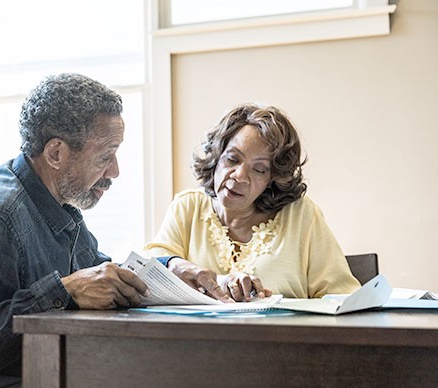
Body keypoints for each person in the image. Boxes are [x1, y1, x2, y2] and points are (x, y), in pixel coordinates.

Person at [0, 73, 233, 388]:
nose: (115, 171)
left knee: (163, 382)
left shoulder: (58, 207)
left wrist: (171, 268)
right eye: (106, 155)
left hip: (39, 375)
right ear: (56, 154)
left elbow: (100, 275)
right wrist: (61, 292)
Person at [144, 103, 361, 300]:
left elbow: (342, 298)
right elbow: (149, 272)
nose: (239, 176)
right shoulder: (187, 207)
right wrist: (178, 266)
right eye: (232, 159)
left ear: (272, 179)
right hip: (199, 342)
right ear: (217, 156)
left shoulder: (302, 215)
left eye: (259, 169)